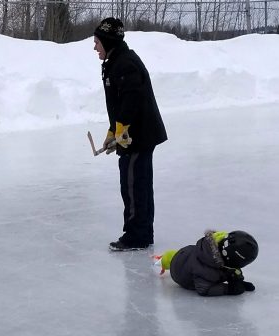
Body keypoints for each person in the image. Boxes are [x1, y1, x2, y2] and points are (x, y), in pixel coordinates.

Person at [93, 17, 168, 251]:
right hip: (134, 133)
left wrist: (121, 130)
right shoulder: (115, 61)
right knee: (138, 183)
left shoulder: (125, 63)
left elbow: (131, 101)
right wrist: (112, 131)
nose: (94, 47)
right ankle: (143, 232)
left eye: (97, 42)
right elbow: (119, 104)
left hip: (139, 135)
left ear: (108, 41)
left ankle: (137, 235)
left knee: (134, 185)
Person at [156, 230, 258, 296]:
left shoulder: (225, 258)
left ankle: (168, 257)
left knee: (182, 256)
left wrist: (238, 281)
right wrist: (229, 289)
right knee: (171, 258)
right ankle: (163, 260)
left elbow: (233, 269)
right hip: (178, 268)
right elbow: (204, 289)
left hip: (189, 252)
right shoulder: (206, 270)